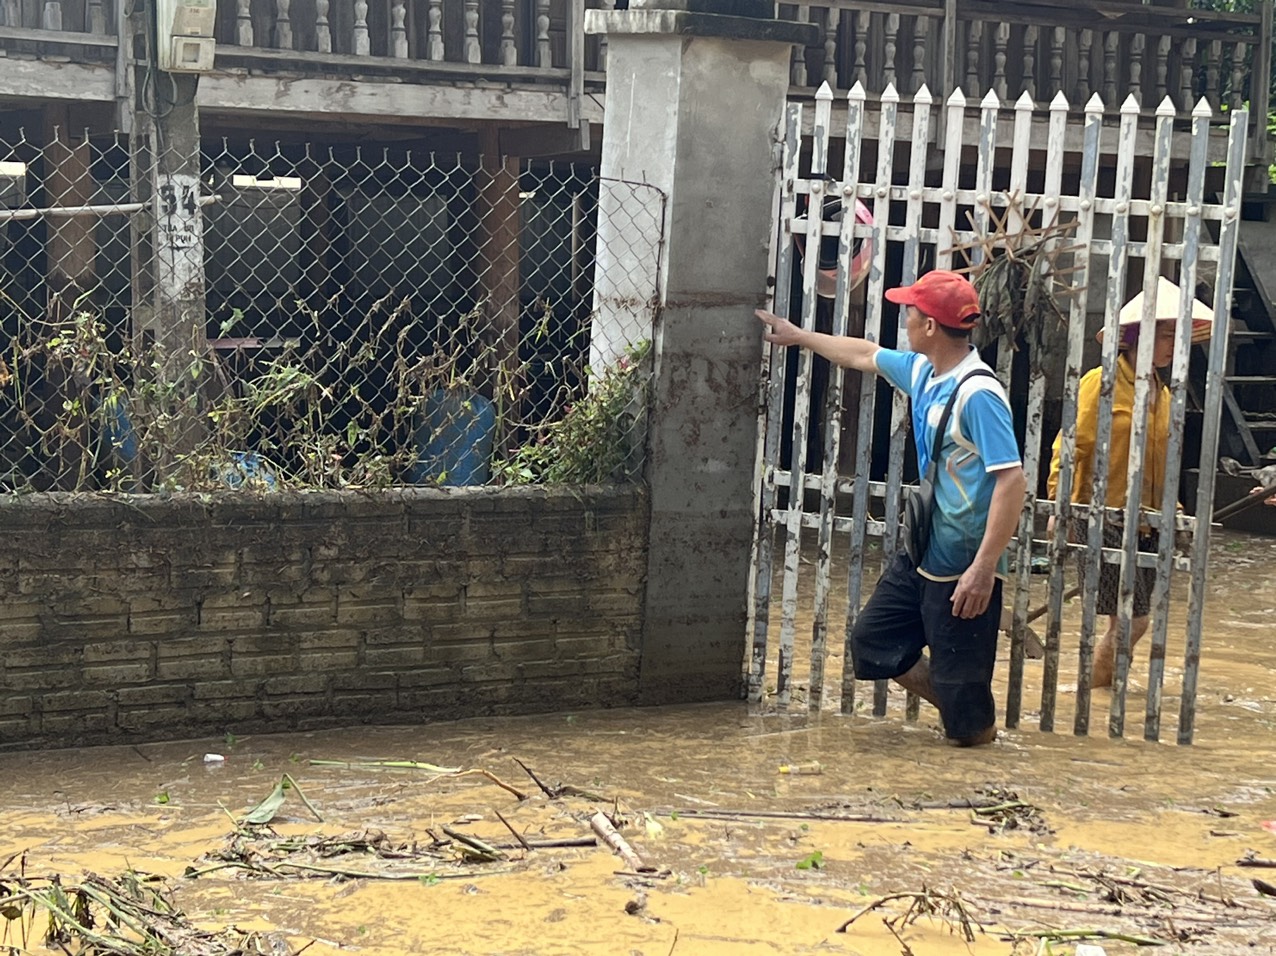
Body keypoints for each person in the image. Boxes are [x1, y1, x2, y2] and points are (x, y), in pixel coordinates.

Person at [757, 270, 1026, 747]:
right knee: (873, 643)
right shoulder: (924, 370)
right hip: (923, 552)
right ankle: (956, 698)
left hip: (964, 565)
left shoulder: (979, 395)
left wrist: (984, 568)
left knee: (969, 735)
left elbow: (1012, 480)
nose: (903, 319)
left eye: (910, 313)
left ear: (929, 328)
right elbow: (863, 353)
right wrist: (799, 336)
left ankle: (973, 729)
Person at [1046, 276, 1212, 689]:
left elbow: (1164, 463)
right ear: (1141, 335)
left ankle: (1104, 688)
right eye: (1167, 336)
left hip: (1147, 524)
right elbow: (1071, 448)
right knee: (1133, 621)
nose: (1173, 346)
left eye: (1177, 337)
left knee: (1126, 618)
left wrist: (1174, 513)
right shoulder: (1098, 384)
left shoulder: (1165, 395)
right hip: (1103, 519)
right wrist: (1060, 505)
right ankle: (1093, 692)